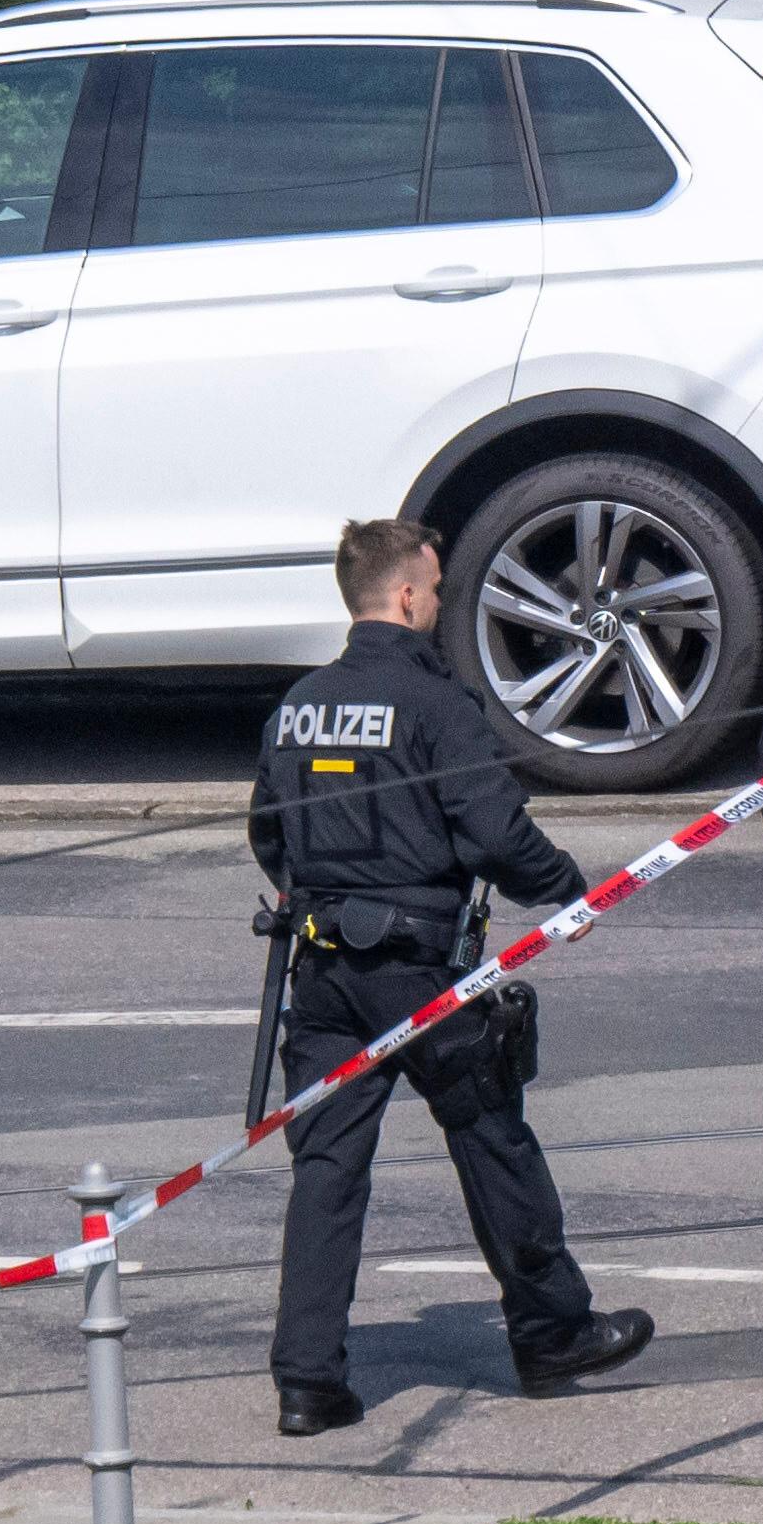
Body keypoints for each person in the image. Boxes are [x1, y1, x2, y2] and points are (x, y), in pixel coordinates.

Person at [249, 518, 648, 1438]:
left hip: (323, 973)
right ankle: (552, 1330)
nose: (438, 604)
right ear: (404, 596)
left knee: (328, 1170)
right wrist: (564, 894)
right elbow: (495, 832)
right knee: (491, 1133)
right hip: (420, 970)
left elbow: (270, 832)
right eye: (434, 589)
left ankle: (308, 1381)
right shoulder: (435, 705)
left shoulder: (299, 703)